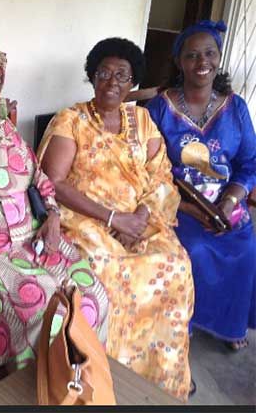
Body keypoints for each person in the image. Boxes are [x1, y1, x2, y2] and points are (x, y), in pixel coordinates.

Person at [0, 39, 109, 370]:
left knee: (93, 295)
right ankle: (41, 388)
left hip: (34, 240)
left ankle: (81, 382)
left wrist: (54, 216)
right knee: (45, 311)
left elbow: (39, 180)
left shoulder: (7, 130)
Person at [37, 38, 195, 400]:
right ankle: (110, 374)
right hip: (86, 219)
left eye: (121, 75)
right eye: (103, 73)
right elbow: (55, 183)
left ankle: (161, 375)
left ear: (133, 81)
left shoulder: (141, 119)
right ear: (92, 77)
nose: (111, 82)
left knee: (174, 264)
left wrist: (137, 217)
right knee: (112, 270)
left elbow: (160, 175)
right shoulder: (71, 120)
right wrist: (113, 219)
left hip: (141, 216)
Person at [147, 20, 256, 352]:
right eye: (192, 55)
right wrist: (192, 208)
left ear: (219, 57)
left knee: (248, 247)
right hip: (180, 205)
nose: (202, 62)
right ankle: (187, 323)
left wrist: (230, 201)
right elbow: (150, 171)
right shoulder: (159, 108)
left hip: (226, 203)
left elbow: (249, 163)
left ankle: (230, 322)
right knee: (194, 250)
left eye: (209, 53)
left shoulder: (235, 106)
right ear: (180, 62)